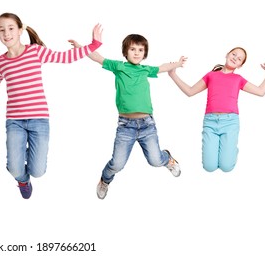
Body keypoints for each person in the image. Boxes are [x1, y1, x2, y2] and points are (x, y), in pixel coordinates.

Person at [0, 12, 103, 199]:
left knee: (38, 171)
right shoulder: (2, 61)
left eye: (11, 28)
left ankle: (24, 157)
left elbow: (65, 57)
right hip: (15, 121)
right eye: (2, 30)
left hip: (39, 120)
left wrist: (93, 45)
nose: (6, 33)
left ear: (20, 30)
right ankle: (23, 180)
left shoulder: (35, 51)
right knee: (15, 169)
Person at [70, 34, 186, 200]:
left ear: (144, 53)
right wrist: (82, 48)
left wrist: (178, 64)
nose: (137, 53)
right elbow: (98, 58)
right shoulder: (118, 66)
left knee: (155, 160)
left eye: (140, 50)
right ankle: (105, 180)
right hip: (126, 126)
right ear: (126, 51)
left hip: (147, 124)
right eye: (133, 49)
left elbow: (163, 67)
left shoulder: (146, 70)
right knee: (117, 164)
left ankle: (167, 159)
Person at [167, 47, 265, 172]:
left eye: (239, 59)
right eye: (234, 54)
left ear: (240, 65)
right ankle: (223, 148)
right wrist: (173, 74)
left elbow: (261, 91)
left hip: (230, 122)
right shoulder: (211, 75)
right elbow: (190, 91)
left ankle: (230, 148)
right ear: (227, 54)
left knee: (226, 167)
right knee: (209, 167)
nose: (235, 58)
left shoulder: (238, 79)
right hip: (210, 122)